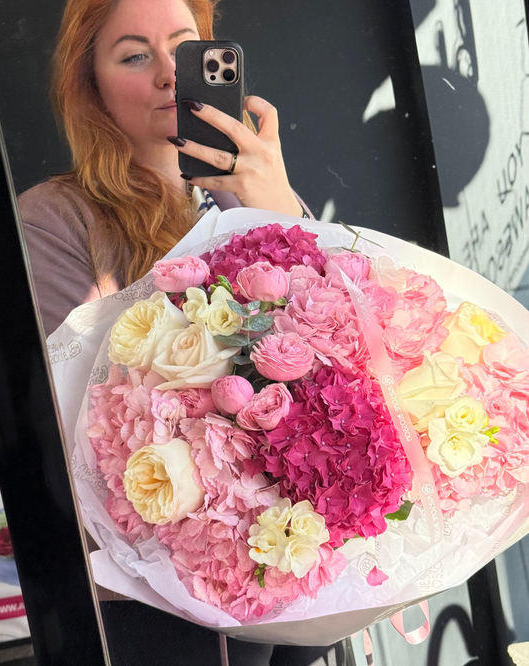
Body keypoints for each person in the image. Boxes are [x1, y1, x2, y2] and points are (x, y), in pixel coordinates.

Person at [18, 0, 351, 664]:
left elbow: (351, 351)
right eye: (136, 56)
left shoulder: (248, 193)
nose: (171, 73)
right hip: (156, 590)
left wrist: (278, 207)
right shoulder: (55, 220)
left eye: (185, 46)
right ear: (92, 88)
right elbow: (88, 423)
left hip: (294, 557)